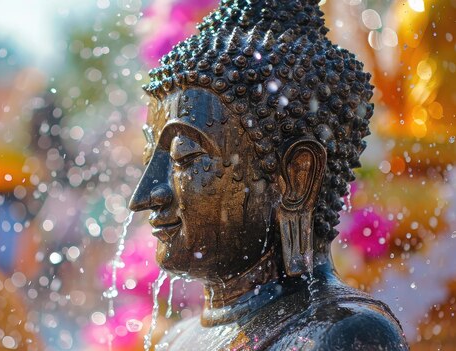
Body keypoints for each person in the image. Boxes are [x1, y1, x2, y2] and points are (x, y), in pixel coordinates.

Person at [127, 0, 409, 349]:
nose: (143, 196)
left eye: (185, 155)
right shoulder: (175, 339)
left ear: (296, 179)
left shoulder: (341, 334)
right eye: (150, 157)